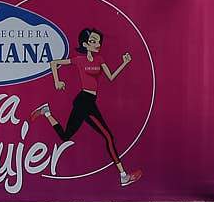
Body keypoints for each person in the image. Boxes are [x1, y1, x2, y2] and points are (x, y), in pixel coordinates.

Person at [30, 27, 142, 187]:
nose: (97, 44)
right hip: (84, 101)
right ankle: (123, 176)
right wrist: (57, 81)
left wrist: (124, 63)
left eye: (98, 41)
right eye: (93, 41)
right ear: (85, 44)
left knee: (66, 136)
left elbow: (110, 77)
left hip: (88, 101)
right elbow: (54, 63)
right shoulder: (79, 60)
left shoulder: (100, 59)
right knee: (108, 137)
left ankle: (47, 112)